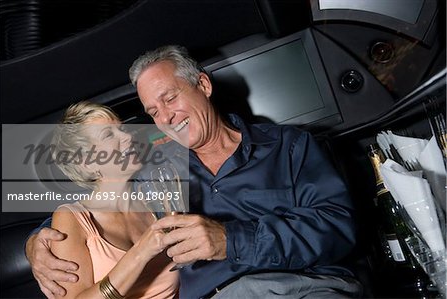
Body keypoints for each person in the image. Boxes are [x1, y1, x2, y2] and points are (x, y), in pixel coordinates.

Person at [26, 45, 362, 298]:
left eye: (170, 98)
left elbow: (338, 225)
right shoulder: (158, 168)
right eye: (153, 111)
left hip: (304, 288)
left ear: (202, 85)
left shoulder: (288, 146)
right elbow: (99, 209)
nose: (166, 118)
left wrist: (230, 240)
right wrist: (37, 244)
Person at [36, 101, 179, 298]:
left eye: (122, 129)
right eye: (108, 135)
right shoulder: (72, 217)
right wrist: (141, 252)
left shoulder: (156, 201)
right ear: (86, 162)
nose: (128, 137)